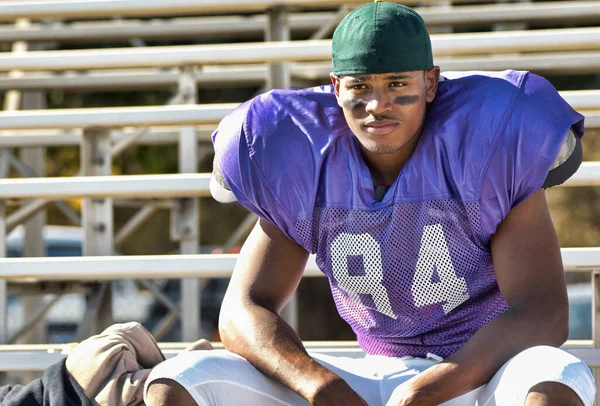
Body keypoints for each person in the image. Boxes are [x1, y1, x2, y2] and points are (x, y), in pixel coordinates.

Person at [145, 1, 596, 405]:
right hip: (370, 374)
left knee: (553, 378)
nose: (377, 105)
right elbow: (242, 310)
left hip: (480, 376)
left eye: (397, 83)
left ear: (432, 83)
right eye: (360, 87)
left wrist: (429, 389)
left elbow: (543, 311)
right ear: (336, 86)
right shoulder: (303, 158)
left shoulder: (489, 145)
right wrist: (319, 386)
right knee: (179, 379)